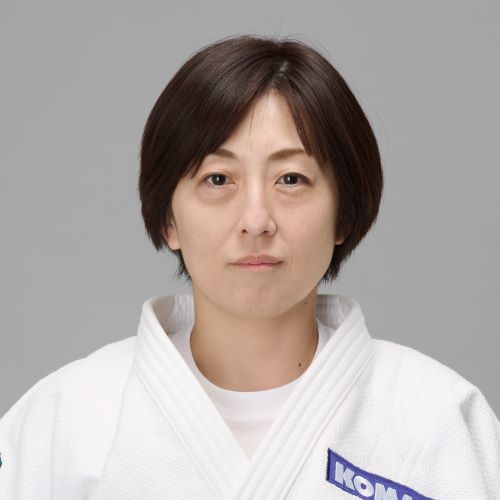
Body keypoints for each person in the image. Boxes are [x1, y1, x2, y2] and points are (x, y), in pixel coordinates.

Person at [1, 34, 499, 500]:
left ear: (343, 214)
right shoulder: (64, 420)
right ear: (169, 220)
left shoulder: (440, 419)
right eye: (218, 179)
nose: (256, 221)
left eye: (291, 179)